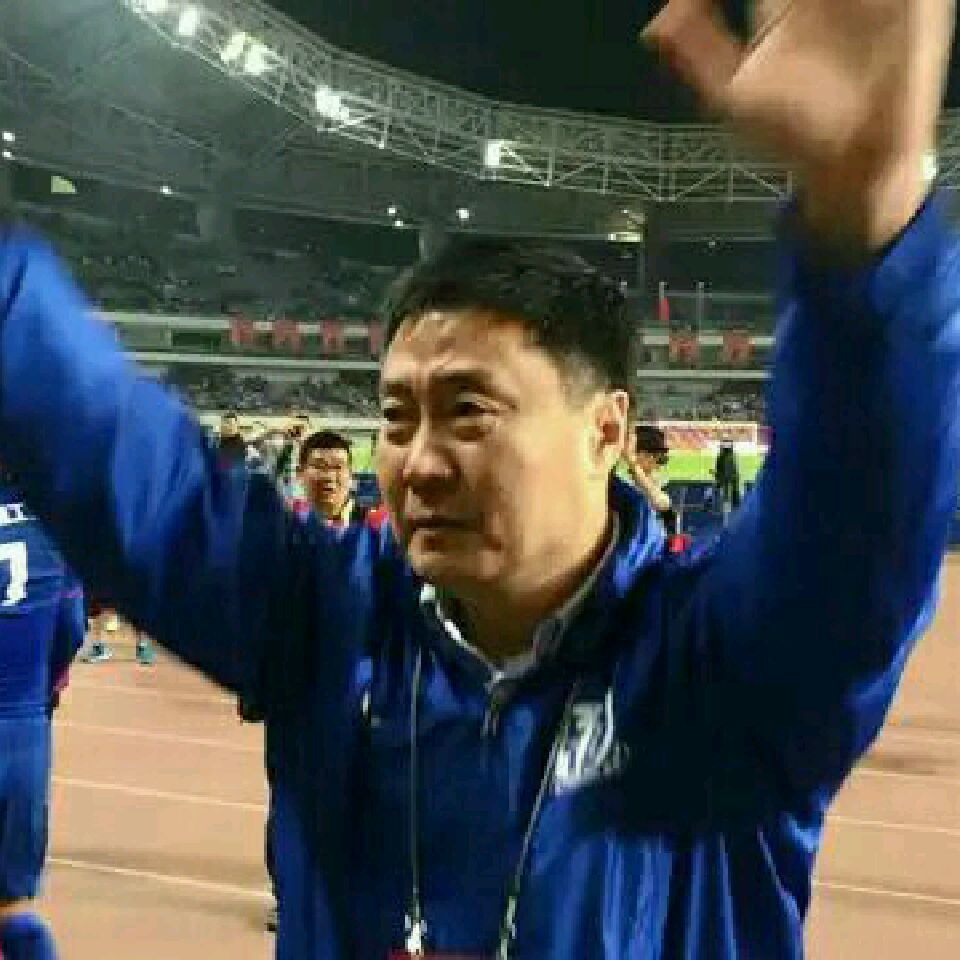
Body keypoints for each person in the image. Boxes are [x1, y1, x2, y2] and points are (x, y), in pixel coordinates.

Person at [0, 2, 956, 956]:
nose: (417, 462)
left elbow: (859, 515)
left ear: (606, 429)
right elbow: (109, 452)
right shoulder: (324, 617)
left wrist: (866, 228)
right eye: (395, 417)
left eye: (468, 412)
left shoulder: (721, 662)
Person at [0, 478, 85, 960]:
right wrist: (40, 689)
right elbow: (71, 630)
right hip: (24, 731)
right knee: (13, 905)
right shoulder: (51, 523)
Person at [290, 430, 388, 528]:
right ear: (299, 474)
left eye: (338, 467)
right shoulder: (287, 521)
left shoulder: (378, 525)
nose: (329, 476)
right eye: (319, 466)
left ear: (351, 476)